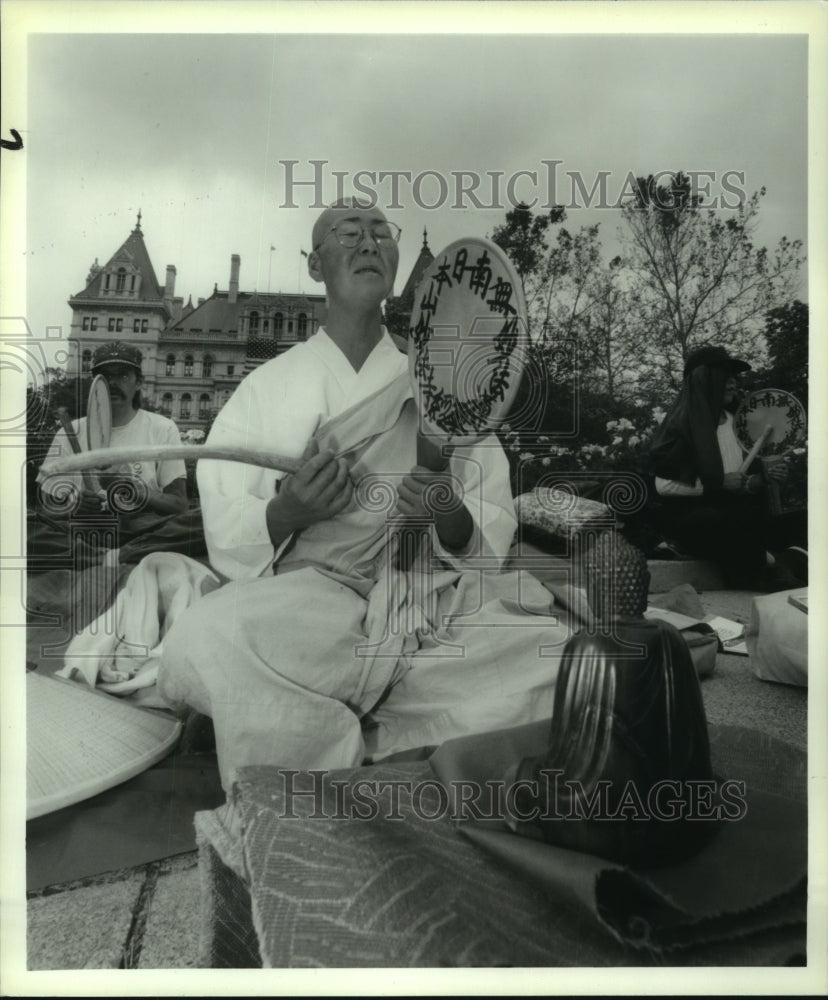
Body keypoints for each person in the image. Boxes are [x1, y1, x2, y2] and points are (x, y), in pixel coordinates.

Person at [158, 199, 574, 789]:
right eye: (348, 233)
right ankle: (378, 735)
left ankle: (310, 722)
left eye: (382, 233)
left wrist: (447, 510)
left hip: (427, 598)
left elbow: (487, 531)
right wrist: (286, 512)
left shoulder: (441, 379)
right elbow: (230, 522)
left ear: (398, 261)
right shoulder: (265, 387)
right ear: (313, 264)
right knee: (200, 640)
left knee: (554, 659)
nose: (369, 243)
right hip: (311, 601)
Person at [648, 345, 805, 591]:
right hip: (697, 519)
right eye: (724, 376)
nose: (733, 383)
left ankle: (775, 563)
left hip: (740, 517)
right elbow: (663, 485)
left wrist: (762, 479)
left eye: (734, 378)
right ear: (703, 381)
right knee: (730, 521)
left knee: (805, 520)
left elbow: (743, 485)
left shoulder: (738, 424)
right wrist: (717, 484)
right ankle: (774, 567)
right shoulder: (681, 425)